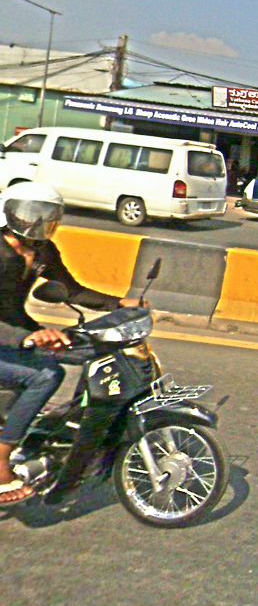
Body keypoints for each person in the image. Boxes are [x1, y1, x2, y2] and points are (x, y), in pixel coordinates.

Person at [0, 183, 138, 506]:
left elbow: (71, 290)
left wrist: (119, 304)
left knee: (90, 349)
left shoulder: (43, 251)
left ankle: (59, 430)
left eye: (46, 216)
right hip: (10, 336)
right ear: (11, 213)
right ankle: (1, 459)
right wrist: (26, 337)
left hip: (17, 331)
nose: (39, 223)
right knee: (46, 375)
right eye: (32, 214)